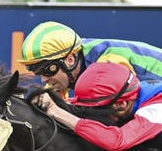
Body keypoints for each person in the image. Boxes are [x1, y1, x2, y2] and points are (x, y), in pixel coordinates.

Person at [35, 61, 162, 151]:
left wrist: (56, 112)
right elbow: (76, 104)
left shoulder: (156, 109)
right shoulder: (127, 94)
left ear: (121, 104)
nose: (93, 114)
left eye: (97, 110)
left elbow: (117, 140)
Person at [18, 20, 162, 97]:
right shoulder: (70, 62)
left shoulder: (109, 61)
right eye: (39, 73)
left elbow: (112, 110)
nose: (44, 79)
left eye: (48, 70)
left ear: (69, 60)